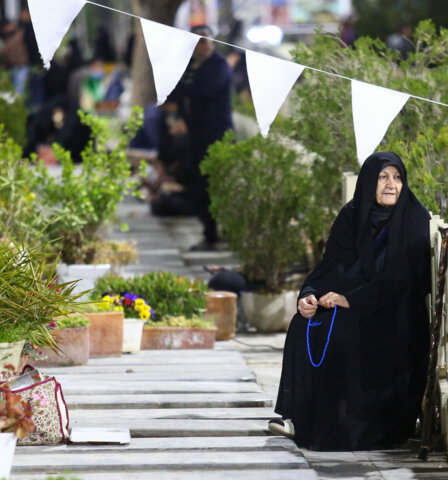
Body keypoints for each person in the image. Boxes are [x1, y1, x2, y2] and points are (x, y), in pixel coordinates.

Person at [270, 152, 431, 451]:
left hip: (395, 311)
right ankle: (300, 416)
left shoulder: (414, 218)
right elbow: (330, 266)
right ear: (369, 181)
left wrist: (350, 300)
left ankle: (351, 422)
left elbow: (403, 280)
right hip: (353, 301)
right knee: (305, 324)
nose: (391, 185)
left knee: (345, 330)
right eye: (383, 177)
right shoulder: (352, 215)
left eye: (397, 178)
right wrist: (309, 295)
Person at [163, 25, 233, 251]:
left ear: (213, 42)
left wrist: (183, 87)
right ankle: (208, 232)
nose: (199, 45)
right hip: (195, 136)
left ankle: (219, 233)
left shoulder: (219, 65)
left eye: (204, 40)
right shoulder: (189, 67)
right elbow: (174, 92)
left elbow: (204, 91)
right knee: (197, 187)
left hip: (216, 136)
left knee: (215, 186)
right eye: (195, 40)